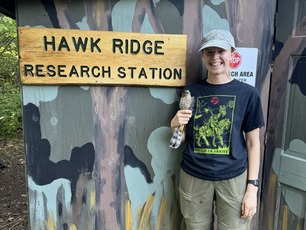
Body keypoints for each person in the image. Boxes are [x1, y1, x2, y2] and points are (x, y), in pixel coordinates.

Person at [170, 29, 265, 230]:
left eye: (220, 51)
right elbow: (184, 135)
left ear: (232, 53)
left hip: (234, 178)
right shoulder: (191, 91)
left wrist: (252, 188)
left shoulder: (248, 93)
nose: (215, 58)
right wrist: (175, 125)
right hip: (194, 177)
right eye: (209, 52)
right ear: (203, 56)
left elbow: (253, 143)